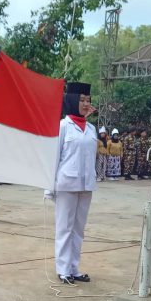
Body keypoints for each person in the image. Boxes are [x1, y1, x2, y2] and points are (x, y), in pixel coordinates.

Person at [46, 82, 97, 285]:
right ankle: (63, 269)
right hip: (66, 184)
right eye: (81, 100)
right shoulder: (62, 127)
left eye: (88, 100)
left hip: (86, 185)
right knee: (64, 228)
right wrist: (49, 187)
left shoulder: (91, 129)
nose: (85, 104)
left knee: (78, 229)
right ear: (72, 100)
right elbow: (53, 157)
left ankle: (74, 268)